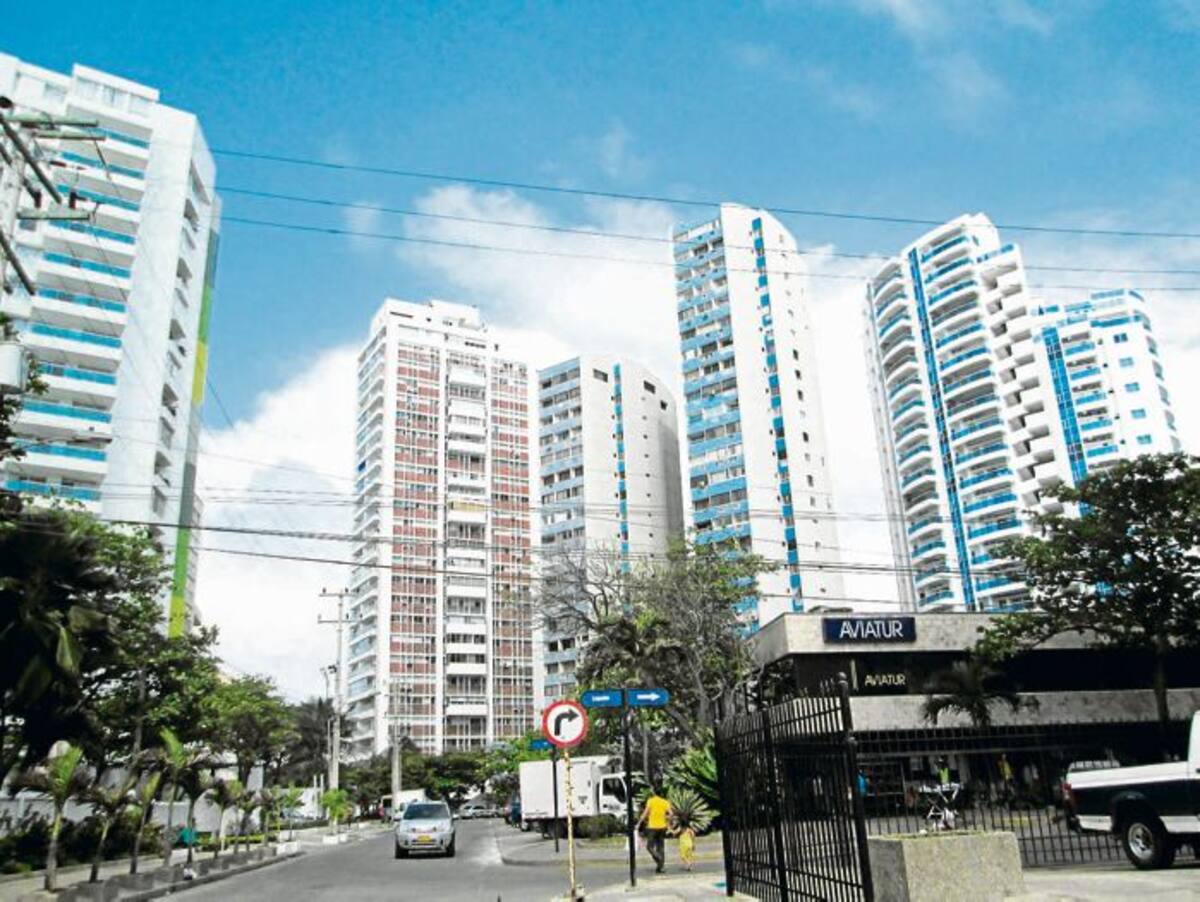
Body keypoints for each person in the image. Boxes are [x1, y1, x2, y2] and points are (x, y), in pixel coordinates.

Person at [636, 786, 672, 874]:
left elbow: (645, 813)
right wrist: (666, 820)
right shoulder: (665, 802)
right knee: (661, 847)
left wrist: (639, 823)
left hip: (652, 827)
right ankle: (660, 867)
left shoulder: (651, 801)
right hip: (662, 827)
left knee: (649, 847)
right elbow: (671, 814)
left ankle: (658, 859)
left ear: (654, 792)